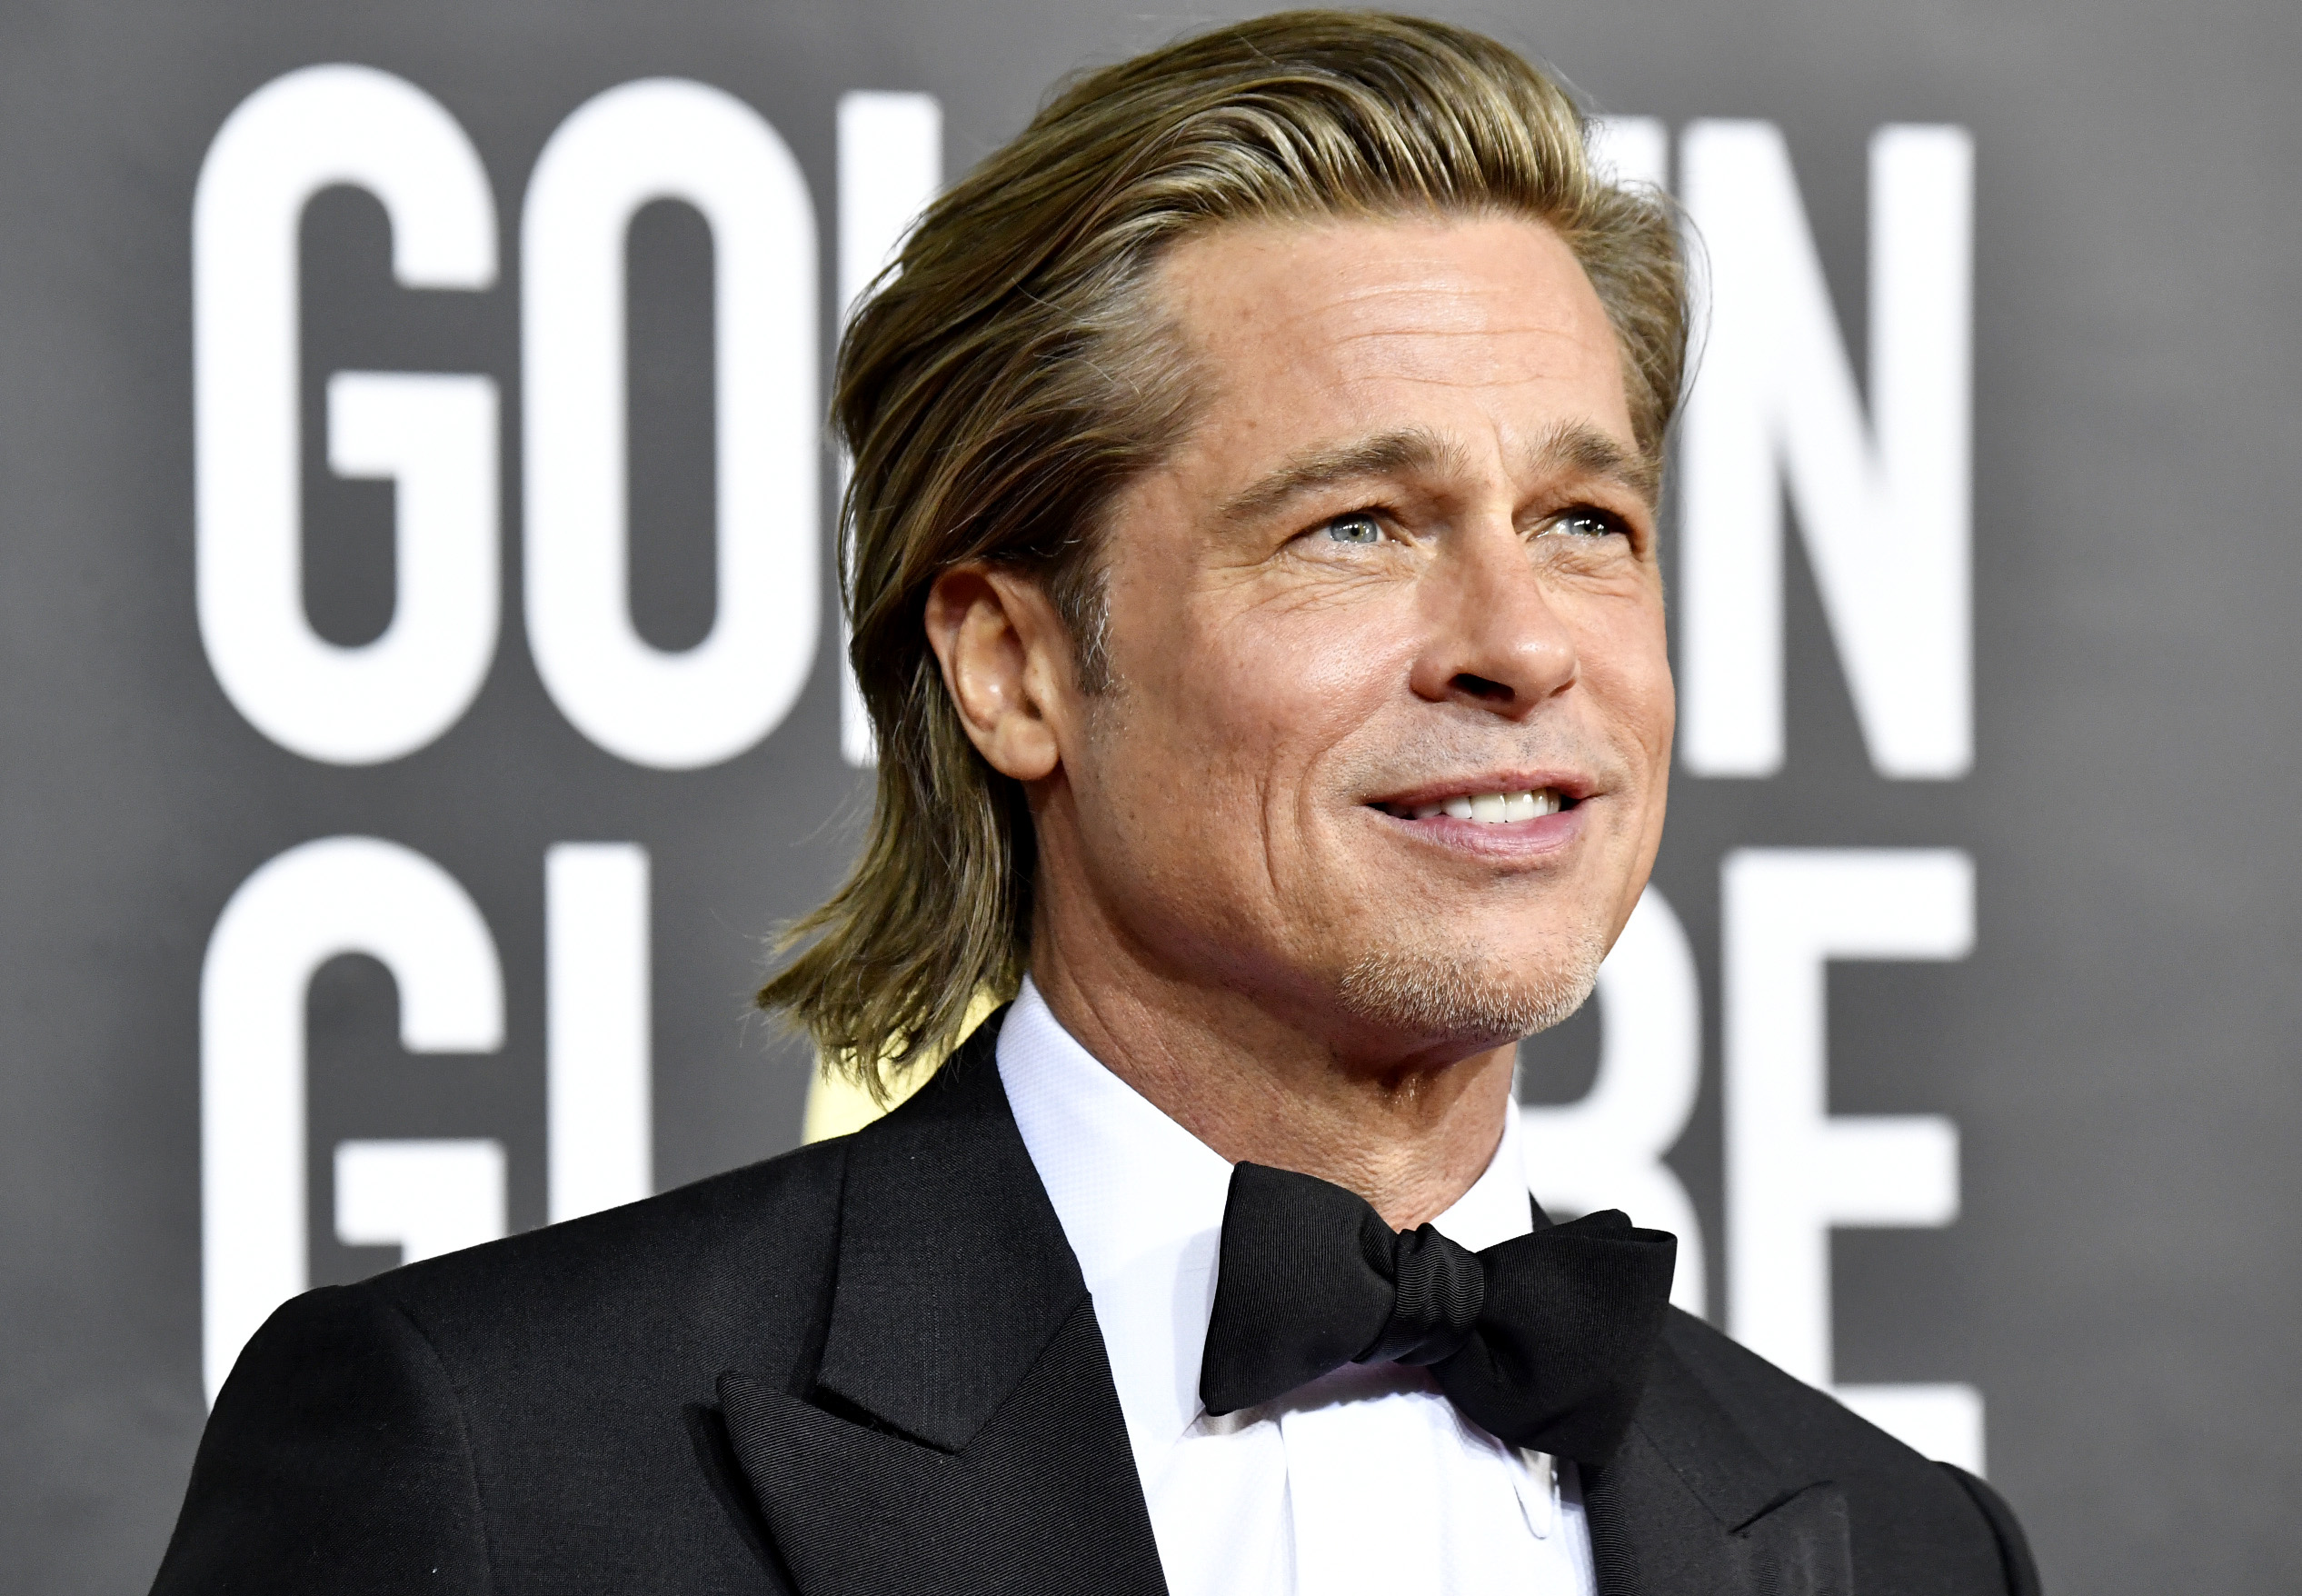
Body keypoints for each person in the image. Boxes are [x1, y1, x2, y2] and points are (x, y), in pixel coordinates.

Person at [151, 12, 2039, 1594]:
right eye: (1356, 526)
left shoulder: (1908, 1547)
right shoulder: (490, 1460)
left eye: (1583, 522)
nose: (1520, 642)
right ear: (1015, 666)